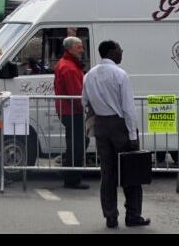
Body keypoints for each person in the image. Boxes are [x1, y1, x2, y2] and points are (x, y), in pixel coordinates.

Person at [83, 40, 149, 228]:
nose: (122, 52)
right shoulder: (120, 74)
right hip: (120, 125)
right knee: (131, 170)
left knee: (107, 172)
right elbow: (128, 108)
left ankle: (110, 216)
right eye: (120, 49)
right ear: (112, 52)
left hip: (102, 125)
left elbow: (85, 101)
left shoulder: (89, 75)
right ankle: (133, 215)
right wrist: (133, 136)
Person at [54, 36, 90, 189]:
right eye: (79, 47)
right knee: (77, 144)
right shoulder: (69, 67)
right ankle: (72, 178)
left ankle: (70, 173)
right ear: (70, 49)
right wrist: (86, 109)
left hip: (68, 110)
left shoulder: (66, 64)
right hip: (72, 111)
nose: (82, 50)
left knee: (75, 143)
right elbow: (76, 94)